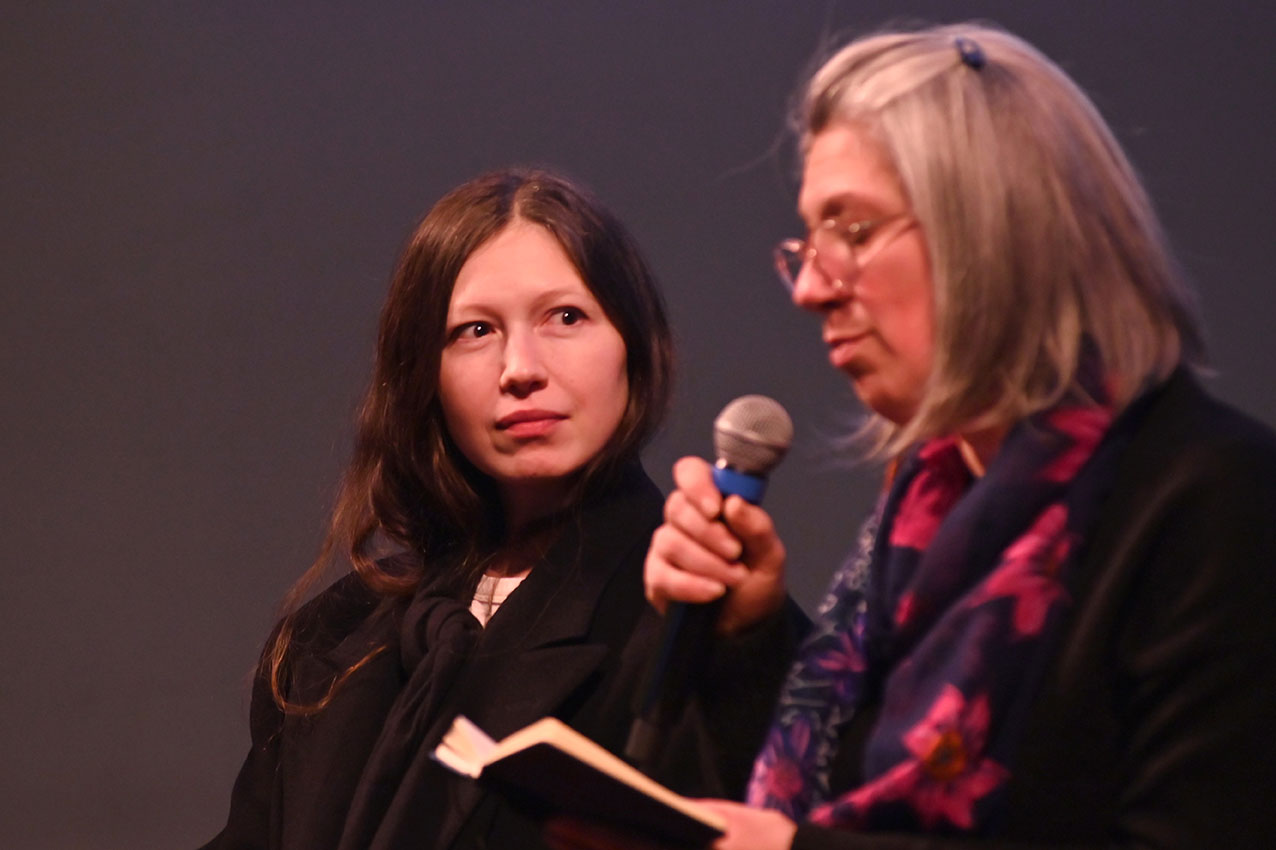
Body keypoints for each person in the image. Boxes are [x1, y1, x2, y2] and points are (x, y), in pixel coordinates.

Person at [632, 22, 1276, 850]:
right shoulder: (923, 515)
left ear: (995, 228)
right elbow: (824, 808)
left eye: (854, 231)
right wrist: (744, 642)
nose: (812, 289)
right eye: (809, 243)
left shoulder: (1216, 502)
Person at [200, 167, 696, 850]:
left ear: (634, 348)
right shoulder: (329, 637)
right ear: (423, 374)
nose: (521, 368)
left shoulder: (704, 629)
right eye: (474, 330)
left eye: (566, 317)